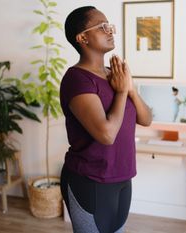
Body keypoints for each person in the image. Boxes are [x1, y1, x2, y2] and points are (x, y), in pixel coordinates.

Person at [59, 6, 152, 233]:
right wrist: (121, 92)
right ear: (82, 38)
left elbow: (146, 118)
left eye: (109, 26)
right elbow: (106, 134)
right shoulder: (77, 79)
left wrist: (130, 89)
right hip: (90, 179)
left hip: (122, 177)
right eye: (102, 27)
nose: (110, 31)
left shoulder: (116, 74)